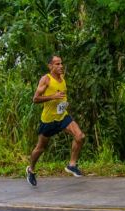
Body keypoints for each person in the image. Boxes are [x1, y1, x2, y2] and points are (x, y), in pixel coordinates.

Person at [26, 55, 85, 186]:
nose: (60, 66)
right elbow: (35, 99)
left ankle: (71, 165)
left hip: (62, 116)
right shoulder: (46, 79)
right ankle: (31, 169)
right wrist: (53, 96)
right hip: (48, 120)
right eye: (57, 64)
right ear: (50, 66)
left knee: (80, 136)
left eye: (61, 63)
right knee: (40, 148)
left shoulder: (62, 78)